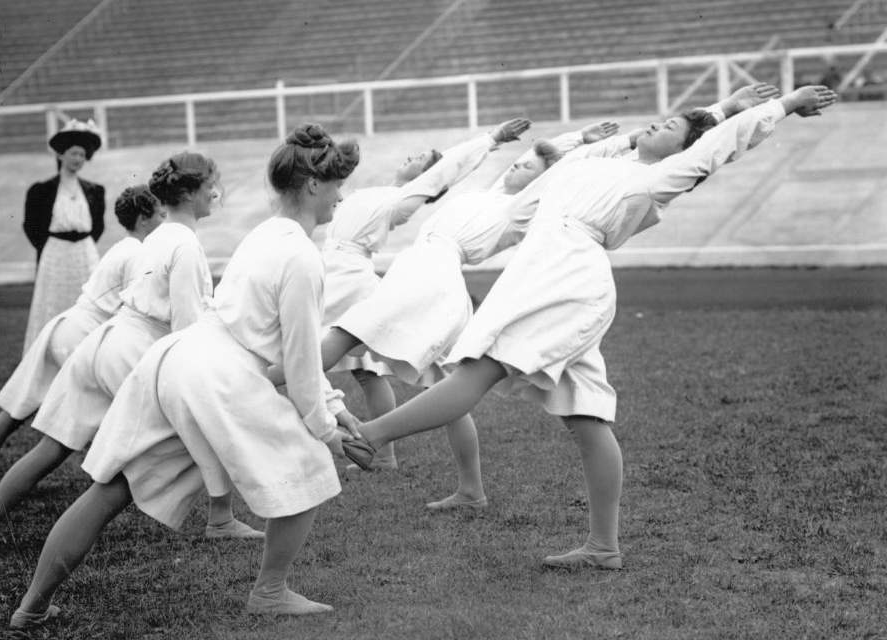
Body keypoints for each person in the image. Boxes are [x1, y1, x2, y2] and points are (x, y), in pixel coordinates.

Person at [342, 85, 839, 570]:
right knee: (586, 415)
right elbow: (657, 136)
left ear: (680, 151)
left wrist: (785, 105)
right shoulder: (608, 164)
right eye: (659, 119)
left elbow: (713, 145)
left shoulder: (659, 178)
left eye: (668, 128)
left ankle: (370, 436)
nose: (654, 124)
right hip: (548, 275)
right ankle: (604, 547)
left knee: (477, 370)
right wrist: (725, 105)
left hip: (565, 282)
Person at [8, 123, 360, 631]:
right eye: (336, 186)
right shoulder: (303, 255)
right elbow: (301, 360)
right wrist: (328, 430)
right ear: (311, 186)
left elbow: (291, 347)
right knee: (308, 464)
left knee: (112, 488)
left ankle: (31, 606)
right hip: (215, 373)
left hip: (174, 359)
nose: (340, 197)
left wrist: (337, 404)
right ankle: (270, 592)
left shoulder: (264, 234)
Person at [269, 119, 620, 511]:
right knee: (446, 386)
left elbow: (456, 172)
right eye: (519, 162)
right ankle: (471, 490)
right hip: (422, 276)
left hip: (431, 281)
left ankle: (261, 385)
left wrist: (580, 145)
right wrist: (560, 140)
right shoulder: (491, 194)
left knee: (342, 341)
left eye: (531, 168)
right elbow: (520, 164)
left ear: (543, 182)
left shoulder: (519, 209)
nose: (519, 165)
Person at [0, 151, 262, 552]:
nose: (217, 193)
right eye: (211, 186)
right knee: (206, 419)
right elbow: (187, 334)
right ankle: (221, 519)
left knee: (49, 450)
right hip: (132, 351)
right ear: (190, 194)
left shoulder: (156, 237)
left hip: (101, 342)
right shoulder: (185, 246)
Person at [322, 117, 532, 469]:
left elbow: (445, 171)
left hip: (349, 285)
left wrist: (490, 139)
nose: (412, 157)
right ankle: (383, 453)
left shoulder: (399, 202)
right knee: (373, 373)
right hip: (336, 277)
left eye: (421, 158)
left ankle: (387, 452)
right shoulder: (378, 195)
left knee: (428, 382)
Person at [0, 185, 164, 504]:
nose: (164, 219)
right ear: (144, 218)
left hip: (62, 327)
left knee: (13, 415)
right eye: (160, 214)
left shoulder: (122, 246)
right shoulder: (138, 252)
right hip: (81, 334)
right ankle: (122, 483)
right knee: (73, 432)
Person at [22, 119, 107, 352]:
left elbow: (98, 225)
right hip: (55, 254)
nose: (77, 159)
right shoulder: (42, 190)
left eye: (81, 154)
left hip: (84, 253)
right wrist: (54, 244)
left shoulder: (94, 191)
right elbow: (31, 226)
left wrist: (81, 242)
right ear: (60, 155)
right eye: (73, 153)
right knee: (53, 306)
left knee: (88, 304)